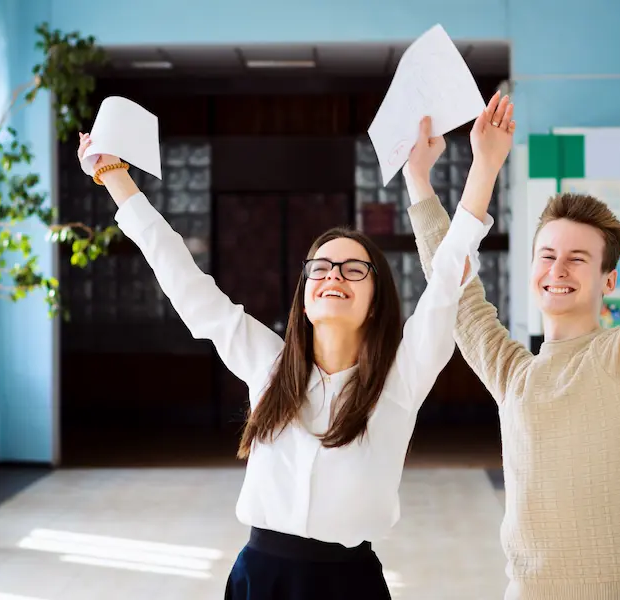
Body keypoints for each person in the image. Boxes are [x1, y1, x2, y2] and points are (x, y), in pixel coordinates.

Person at [75, 114, 512, 599]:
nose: (333, 276)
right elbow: (183, 279)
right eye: (320, 268)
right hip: (261, 579)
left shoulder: (401, 378)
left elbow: (450, 270)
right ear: (304, 296)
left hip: (349, 584)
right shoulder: (269, 365)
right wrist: (112, 173)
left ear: (377, 299)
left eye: (353, 269)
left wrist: (485, 165)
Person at [404, 89, 620, 599]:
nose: (557, 270)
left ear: (608, 281)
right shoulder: (514, 374)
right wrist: (419, 182)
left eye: (577, 258)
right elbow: (455, 296)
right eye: (546, 256)